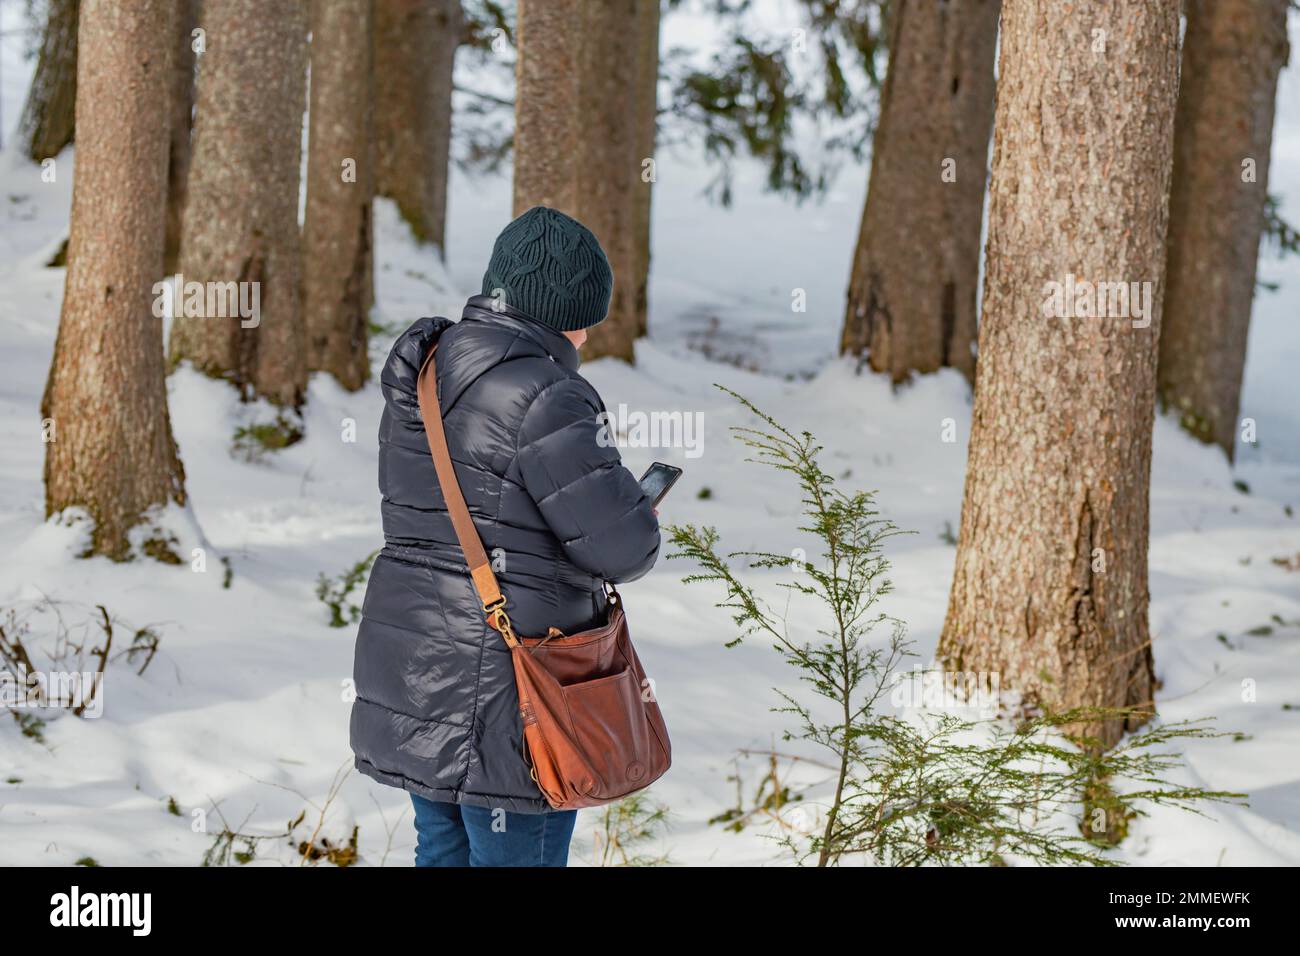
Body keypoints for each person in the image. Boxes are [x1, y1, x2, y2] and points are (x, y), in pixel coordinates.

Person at [349, 206, 661, 867]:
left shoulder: (425, 373)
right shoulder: (548, 394)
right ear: (567, 311)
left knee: (441, 849)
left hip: (414, 661)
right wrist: (639, 510)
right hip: (515, 687)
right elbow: (622, 549)